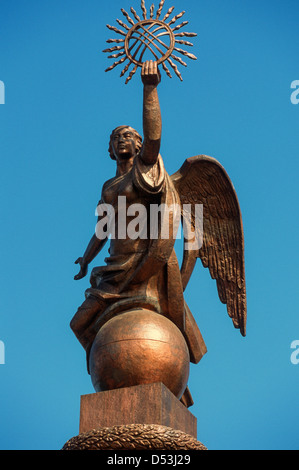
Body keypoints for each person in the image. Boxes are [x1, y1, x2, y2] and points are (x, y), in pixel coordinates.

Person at [71, 61, 206, 405]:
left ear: (139, 144)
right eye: (116, 137)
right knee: (78, 324)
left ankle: (169, 374)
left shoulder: (145, 171)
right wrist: (86, 259)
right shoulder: (108, 186)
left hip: (145, 264)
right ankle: (108, 364)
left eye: (129, 135)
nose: (122, 140)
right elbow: (103, 226)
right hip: (113, 268)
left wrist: (150, 88)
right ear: (110, 148)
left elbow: (155, 135)